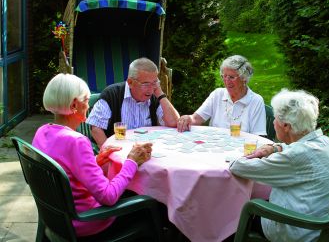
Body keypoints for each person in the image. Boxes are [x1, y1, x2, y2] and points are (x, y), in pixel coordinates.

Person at [32, 73, 152, 237]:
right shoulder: (76, 142)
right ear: (74, 104)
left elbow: (66, 170)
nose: (89, 106)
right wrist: (132, 161)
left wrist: (95, 161)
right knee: (150, 205)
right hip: (86, 223)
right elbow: (108, 196)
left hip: (58, 219)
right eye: (87, 100)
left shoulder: (42, 132)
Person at [229, 89, 329, 242]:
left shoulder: (296, 156)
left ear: (286, 126)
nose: (273, 122)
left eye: (275, 118)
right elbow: (295, 150)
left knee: (233, 214)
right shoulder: (325, 142)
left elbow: (238, 167)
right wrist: (275, 147)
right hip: (322, 224)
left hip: (297, 229)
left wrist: (242, 155)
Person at [87, 57, 180, 148]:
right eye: (146, 84)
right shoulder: (112, 94)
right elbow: (96, 128)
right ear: (130, 82)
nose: (151, 90)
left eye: (154, 83)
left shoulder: (155, 96)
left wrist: (160, 94)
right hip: (118, 149)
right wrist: (110, 153)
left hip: (146, 151)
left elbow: (174, 123)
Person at [177, 55, 266, 135]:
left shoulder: (256, 101)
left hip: (242, 149)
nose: (226, 81)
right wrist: (188, 118)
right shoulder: (218, 94)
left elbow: (258, 136)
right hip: (215, 146)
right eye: (224, 76)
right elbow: (196, 119)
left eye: (231, 77)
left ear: (244, 79)